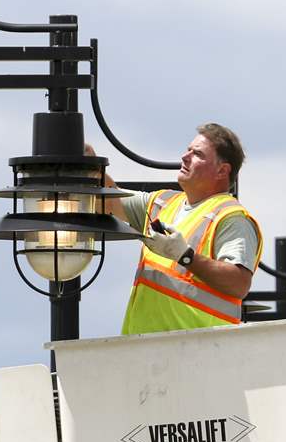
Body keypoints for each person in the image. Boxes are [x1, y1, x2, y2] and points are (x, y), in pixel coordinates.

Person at [89, 123, 262, 335]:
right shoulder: (162, 203)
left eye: (197, 154)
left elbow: (239, 283)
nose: (185, 157)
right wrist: (90, 165)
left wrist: (185, 256)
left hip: (198, 353)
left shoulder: (230, 218)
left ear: (222, 171)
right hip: (144, 350)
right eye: (188, 150)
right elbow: (108, 201)